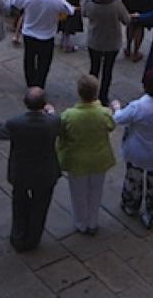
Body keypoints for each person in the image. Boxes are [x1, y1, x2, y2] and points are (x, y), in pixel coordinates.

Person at [0, 87, 60, 251]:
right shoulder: (53, 121)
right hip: (45, 171)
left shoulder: (15, 123)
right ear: (44, 103)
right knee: (40, 206)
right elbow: (55, 120)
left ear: (25, 103)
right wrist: (51, 111)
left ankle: (18, 236)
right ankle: (33, 239)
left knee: (19, 203)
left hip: (21, 170)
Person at [111, 68, 153, 228]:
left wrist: (116, 107)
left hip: (138, 152)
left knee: (133, 181)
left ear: (144, 87)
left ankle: (131, 206)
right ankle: (150, 214)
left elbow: (118, 119)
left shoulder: (137, 107)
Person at [57, 75, 116, 234]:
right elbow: (111, 125)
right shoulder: (103, 113)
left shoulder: (69, 115)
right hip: (99, 160)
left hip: (77, 161)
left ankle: (80, 222)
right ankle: (93, 222)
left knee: (78, 194)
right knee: (96, 191)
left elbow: (61, 132)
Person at [12, 0, 75, 88]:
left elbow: (16, 3)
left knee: (29, 60)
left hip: (29, 34)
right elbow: (69, 10)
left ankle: (30, 84)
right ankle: (39, 85)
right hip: (46, 37)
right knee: (44, 63)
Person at [82, 0, 130, 105]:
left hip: (95, 41)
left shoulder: (91, 5)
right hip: (112, 43)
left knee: (94, 69)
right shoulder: (117, 6)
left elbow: (83, 13)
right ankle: (103, 96)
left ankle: (91, 94)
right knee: (108, 70)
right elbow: (127, 20)